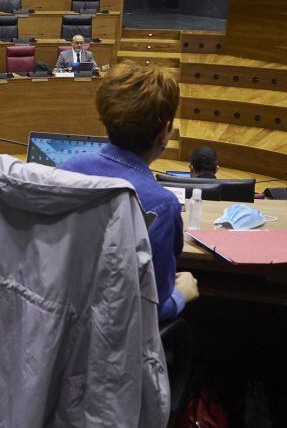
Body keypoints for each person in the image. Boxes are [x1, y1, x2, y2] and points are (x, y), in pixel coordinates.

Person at [61, 62, 199, 321]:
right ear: (163, 133)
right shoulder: (162, 206)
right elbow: (150, 310)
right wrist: (183, 293)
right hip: (115, 345)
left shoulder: (67, 169)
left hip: (60, 326)